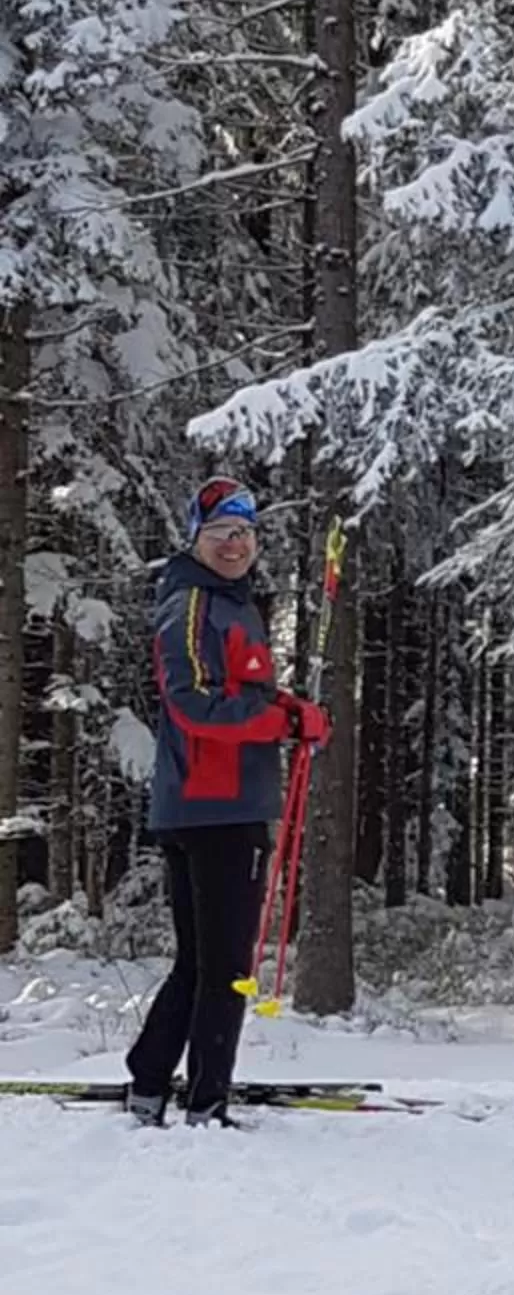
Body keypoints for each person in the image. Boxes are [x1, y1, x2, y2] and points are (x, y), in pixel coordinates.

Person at [123, 477, 331, 1126]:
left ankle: (150, 1082)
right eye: (222, 534)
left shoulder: (229, 603)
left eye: (245, 533)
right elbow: (189, 701)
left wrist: (290, 712)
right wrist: (278, 721)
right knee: (230, 967)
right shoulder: (189, 602)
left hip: (222, 801)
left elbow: (237, 692)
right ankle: (206, 1103)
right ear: (197, 539)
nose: (237, 545)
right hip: (213, 806)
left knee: (202, 960)